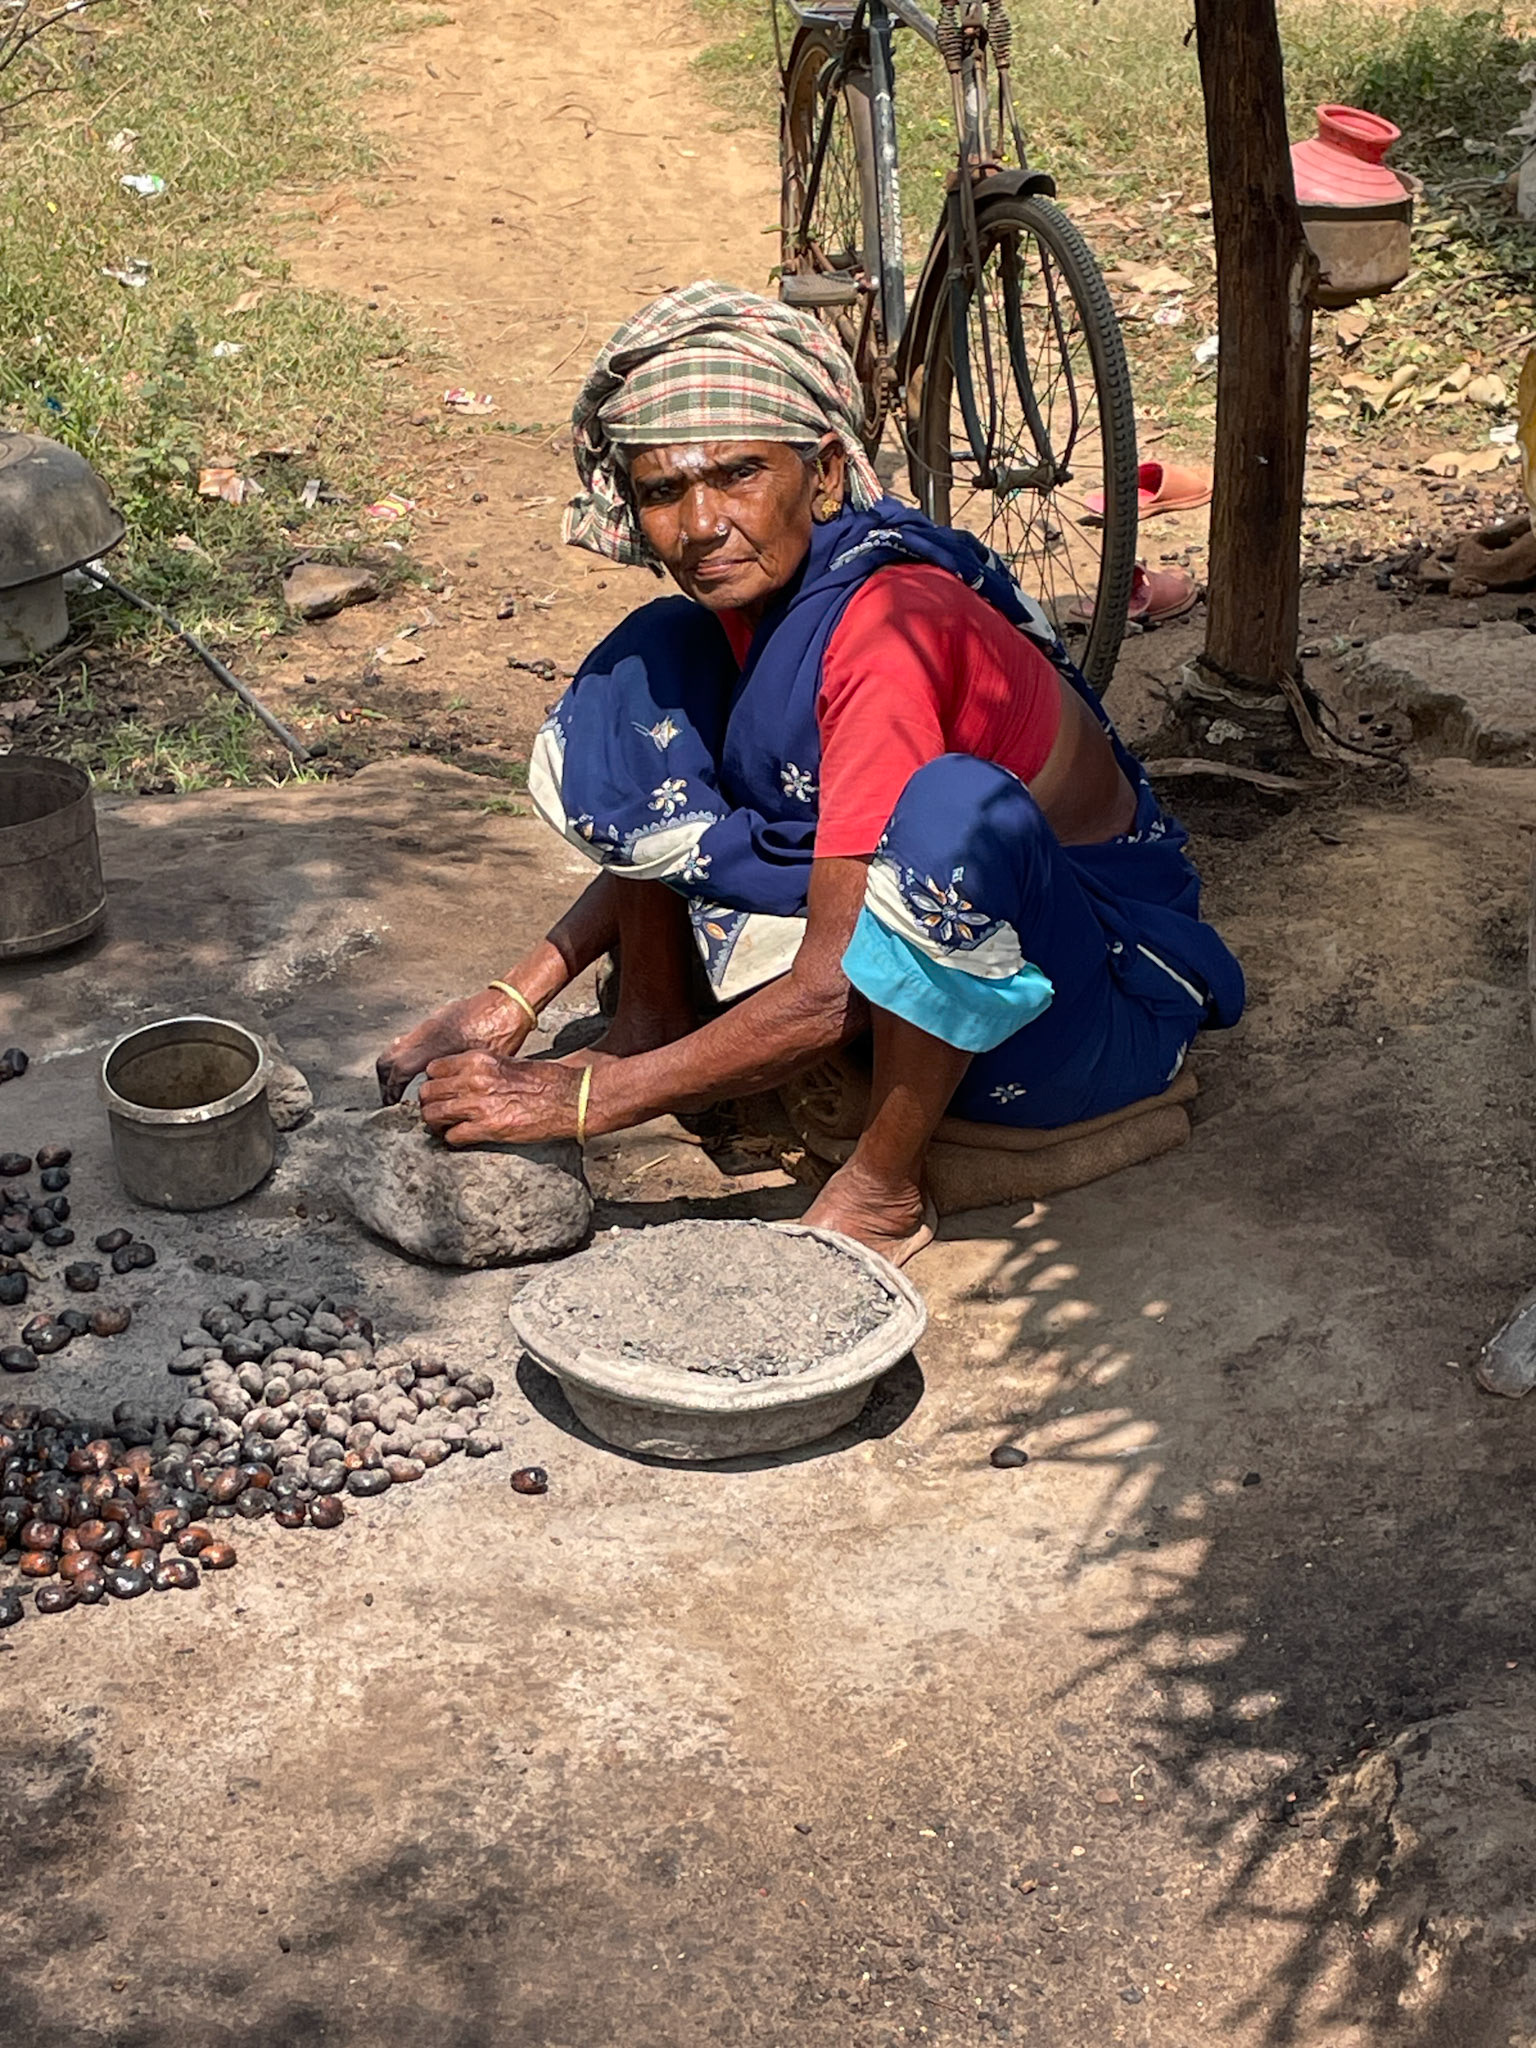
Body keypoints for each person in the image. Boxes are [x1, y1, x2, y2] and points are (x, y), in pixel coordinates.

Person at [376, 281, 1243, 1265]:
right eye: (662, 491)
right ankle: (651, 1015)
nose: (701, 524)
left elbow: (829, 990)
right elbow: (688, 806)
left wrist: (583, 1098)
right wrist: (518, 996)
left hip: (1086, 999)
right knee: (647, 668)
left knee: (953, 815)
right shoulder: (761, 603)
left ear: (824, 473)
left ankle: (883, 1183)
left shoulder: (883, 629)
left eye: (739, 473)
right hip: (945, 944)